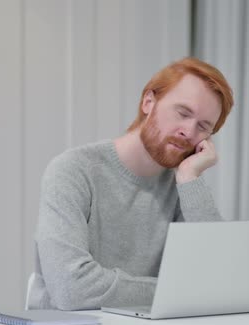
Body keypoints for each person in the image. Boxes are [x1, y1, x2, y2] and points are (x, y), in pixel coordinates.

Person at [27, 57, 234, 310]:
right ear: (149, 102)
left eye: (203, 127)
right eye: (182, 113)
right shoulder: (73, 170)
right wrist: (182, 290)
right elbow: (72, 290)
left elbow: (221, 281)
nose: (189, 132)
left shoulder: (185, 186)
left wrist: (191, 178)